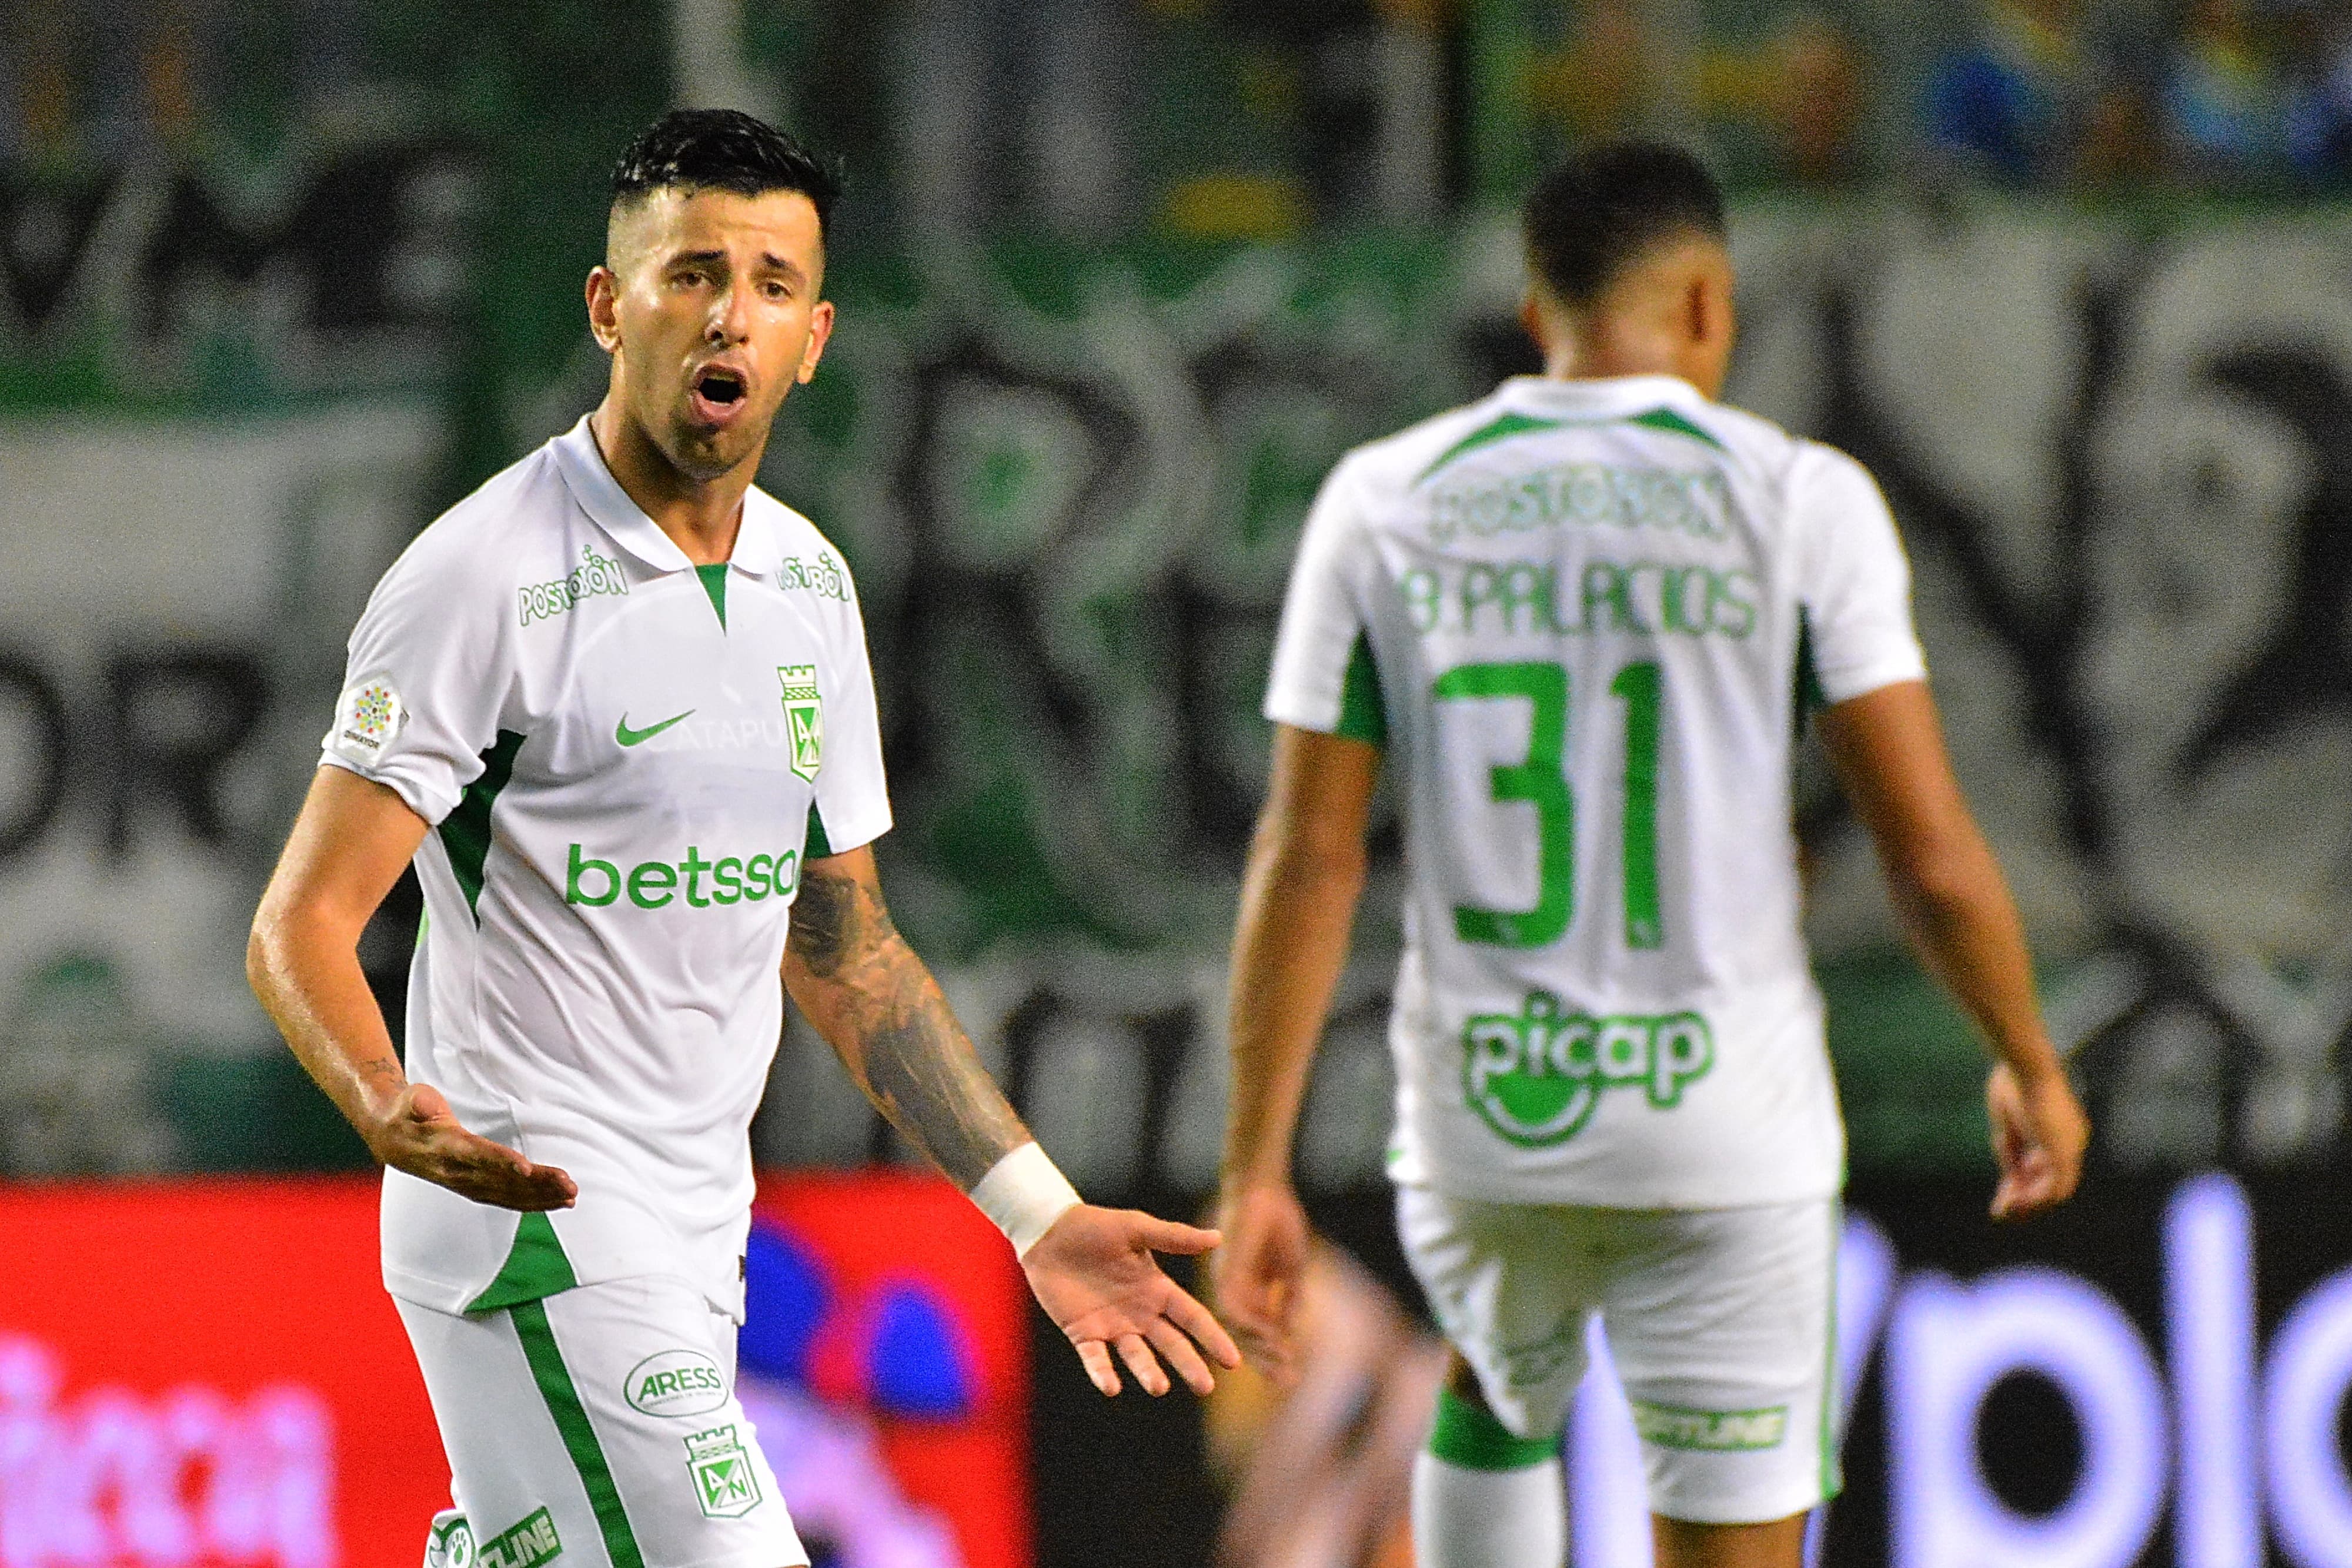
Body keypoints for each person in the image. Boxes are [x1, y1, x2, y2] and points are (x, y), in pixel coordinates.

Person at [246, 108, 1238, 1568]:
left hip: (701, 1239)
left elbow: (845, 952)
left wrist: (1034, 1211)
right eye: (691, 273)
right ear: (610, 307)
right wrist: (385, 1098)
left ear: (815, 334)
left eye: (771, 283)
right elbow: (301, 921)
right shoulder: (481, 574)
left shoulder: (806, 586)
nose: (731, 314)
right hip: (537, 1222)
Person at [1213, 143, 2088, 1568]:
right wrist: (2027, 1057)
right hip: (1720, 1133)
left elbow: (1307, 854)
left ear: (1533, 301)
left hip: (1488, 1117)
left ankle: (1498, 1400)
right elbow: (1924, 852)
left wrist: (1255, 1163)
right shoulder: (1798, 500)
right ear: (1701, 303)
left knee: (1495, 1378)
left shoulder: (1381, 498)